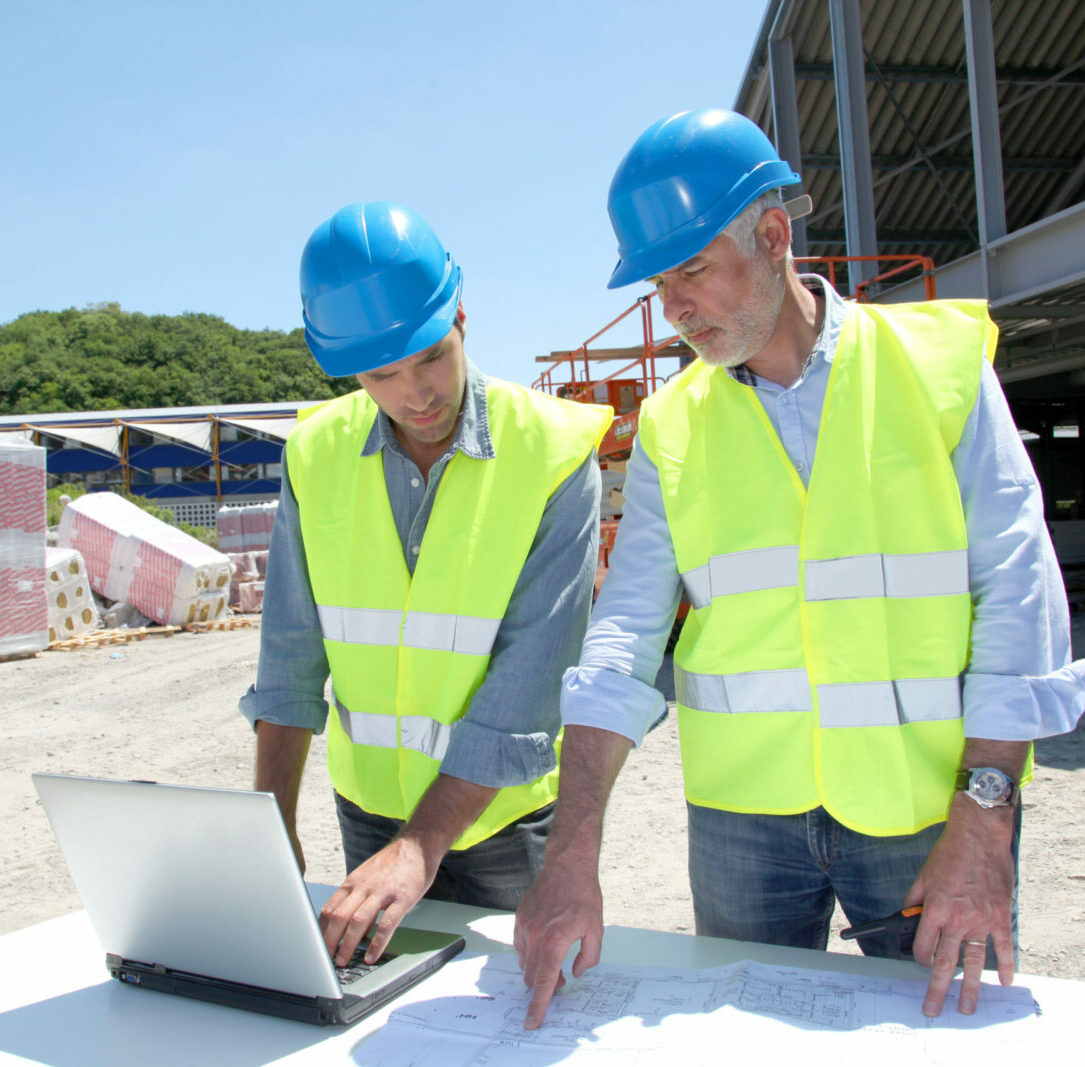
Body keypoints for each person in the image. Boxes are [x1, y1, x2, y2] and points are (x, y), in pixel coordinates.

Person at [514, 109, 1085, 1027]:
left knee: (944, 1042)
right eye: (662, 284)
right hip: (743, 822)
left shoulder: (934, 367)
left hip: (922, 811)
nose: (677, 308)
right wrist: (571, 852)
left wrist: (985, 816)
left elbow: (1017, 590)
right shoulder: (670, 423)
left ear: (772, 235)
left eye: (691, 271)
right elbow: (622, 635)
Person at [241, 201, 611, 970]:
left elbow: (529, 682)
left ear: (463, 318)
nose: (417, 393)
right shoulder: (314, 454)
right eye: (383, 373)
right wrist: (270, 823)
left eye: (433, 356)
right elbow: (289, 657)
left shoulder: (553, 450)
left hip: (502, 824)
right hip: (370, 815)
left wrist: (421, 843)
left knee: (507, 1024)